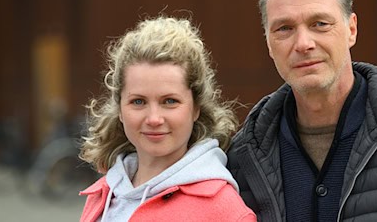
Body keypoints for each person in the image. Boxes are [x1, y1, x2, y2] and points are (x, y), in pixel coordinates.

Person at [227, 0, 377, 221]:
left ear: (351, 29)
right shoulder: (243, 156)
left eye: (320, 24)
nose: (303, 43)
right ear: (268, 43)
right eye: (284, 28)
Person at [78, 16, 257, 222]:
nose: (154, 118)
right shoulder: (103, 194)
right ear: (119, 108)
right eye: (138, 102)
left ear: (196, 108)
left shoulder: (225, 212)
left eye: (170, 101)